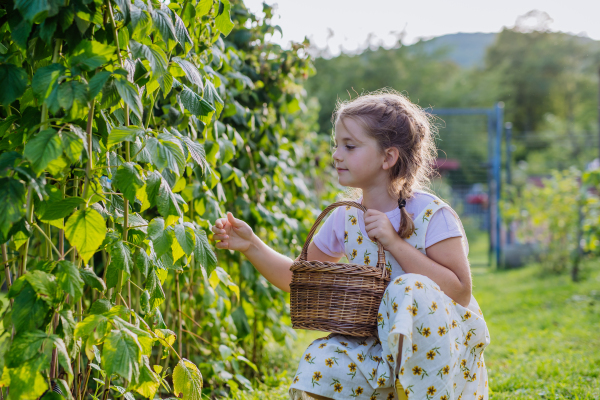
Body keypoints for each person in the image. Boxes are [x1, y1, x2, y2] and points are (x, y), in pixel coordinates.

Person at [210, 89, 490, 400]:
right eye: (336, 145)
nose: (336, 155)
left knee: (407, 288)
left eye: (349, 146)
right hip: (379, 347)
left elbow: (460, 292)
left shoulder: (431, 214)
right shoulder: (344, 216)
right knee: (321, 358)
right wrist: (251, 245)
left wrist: (394, 242)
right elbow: (300, 280)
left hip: (441, 352)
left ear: (388, 157)